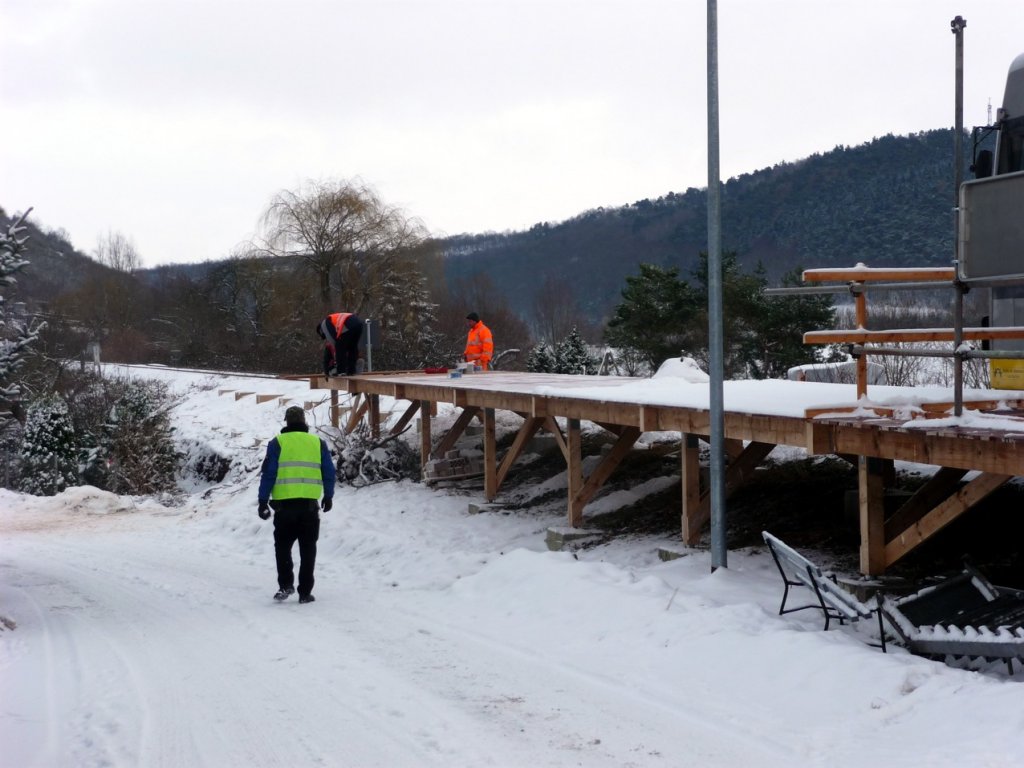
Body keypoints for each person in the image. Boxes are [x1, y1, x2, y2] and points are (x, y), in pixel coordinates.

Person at [257, 405, 336, 604]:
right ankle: (305, 592)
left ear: (287, 421)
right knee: (308, 549)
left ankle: (286, 585)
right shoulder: (317, 442)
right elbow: (328, 471)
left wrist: (263, 500)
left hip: (284, 508)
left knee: (282, 547)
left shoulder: (277, 443)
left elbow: (269, 473)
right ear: (304, 421)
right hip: (309, 507)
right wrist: (328, 495)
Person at [317, 312, 364, 377]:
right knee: (352, 347)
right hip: (358, 324)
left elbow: (335, 344)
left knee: (340, 347)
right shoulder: (331, 321)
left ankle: (341, 371)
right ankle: (351, 371)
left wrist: (334, 365)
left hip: (347, 325)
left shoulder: (324, 325)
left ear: (321, 332)